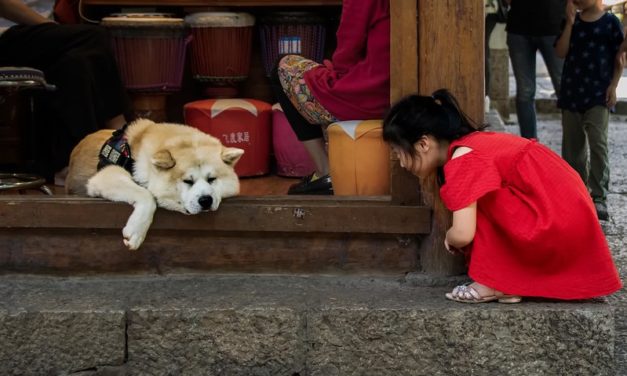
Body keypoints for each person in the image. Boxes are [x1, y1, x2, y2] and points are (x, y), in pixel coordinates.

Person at [382, 88, 622, 303]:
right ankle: (506, 283)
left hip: (556, 219)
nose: (401, 164)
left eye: (399, 152)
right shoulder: (474, 146)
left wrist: (451, 237)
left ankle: (494, 283)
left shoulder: (463, 160)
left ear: (423, 144)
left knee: (477, 206)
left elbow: (464, 234)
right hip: (567, 215)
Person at [0, 0, 133, 183]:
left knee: (75, 64)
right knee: (94, 37)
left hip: (40, 37)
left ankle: (71, 165)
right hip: (6, 35)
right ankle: (119, 131)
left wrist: (57, 33)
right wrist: (53, 29)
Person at [271, 0, 390, 195]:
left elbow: (348, 49)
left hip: (367, 95)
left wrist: (333, 73)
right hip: (393, 95)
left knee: (282, 67)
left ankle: (325, 172)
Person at [554, 0, 625, 221]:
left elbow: (619, 60)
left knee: (598, 142)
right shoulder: (570, 21)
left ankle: (599, 196)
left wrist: (614, 85)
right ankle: (577, 191)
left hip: (599, 94)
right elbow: (560, 51)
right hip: (572, 92)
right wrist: (570, 24)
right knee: (572, 147)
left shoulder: (610, 22)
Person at [506, 0, 566, 139]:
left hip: (554, 25)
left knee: (563, 89)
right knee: (525, 92)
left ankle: (574, 148)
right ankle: (530, 145)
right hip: (519, 27)